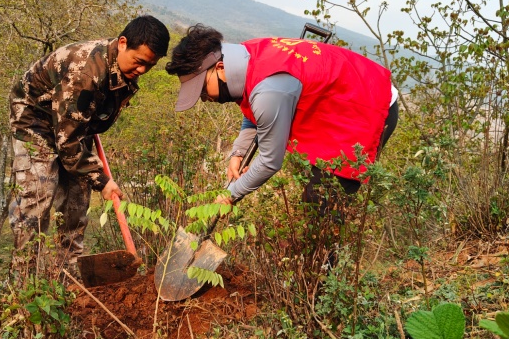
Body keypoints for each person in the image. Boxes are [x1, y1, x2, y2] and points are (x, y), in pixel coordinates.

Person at [165, 24, 398, 205]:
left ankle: (325, 265)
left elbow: (269, 161)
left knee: (322, 201)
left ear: (220, 68)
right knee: (315, 193)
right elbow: (253, 112)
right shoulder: (243, 55)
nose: (204, 97)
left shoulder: (269, 90)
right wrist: (238, 152)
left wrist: (230, 195)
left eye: (202, 88)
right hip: (345, 98)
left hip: (366, 107)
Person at [8, 15, 170, 271]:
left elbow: (83, 123)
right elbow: (67, 142)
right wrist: (102, 180)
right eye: (139, 62)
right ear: (123, 43)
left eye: (149, 66)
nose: (141, 71)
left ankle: (66, 275)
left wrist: (91, 171)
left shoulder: (122, 69)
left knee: (77, 202)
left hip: (73, 124)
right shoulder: (85, 73)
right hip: (36, 120)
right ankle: (24, 279)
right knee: (38, 198)